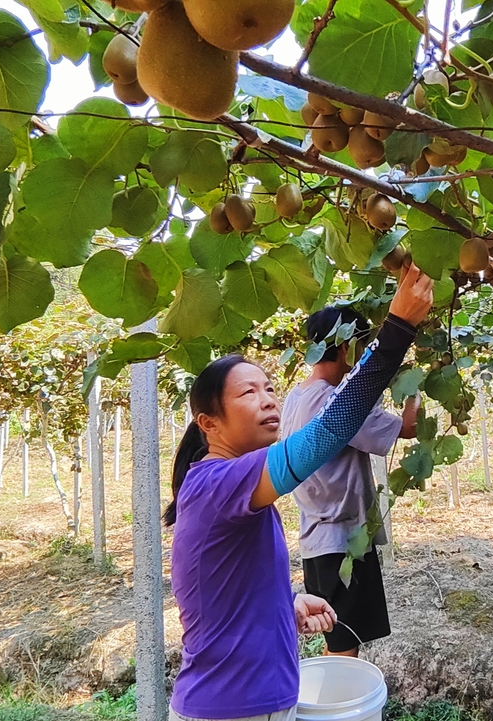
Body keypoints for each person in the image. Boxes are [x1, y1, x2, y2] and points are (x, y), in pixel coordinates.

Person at [164, 265, 434, 721]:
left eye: (269, 387)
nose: (269, 399)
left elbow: (225, 591)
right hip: (231, 709)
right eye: (248, 392)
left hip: (253, 702)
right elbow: (330, 431)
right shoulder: (218, 484)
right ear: (208, 424)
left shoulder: (232, 488)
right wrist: (398, 329)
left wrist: (285, 606)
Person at [280, 305, 419, 657]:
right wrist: (414, 388)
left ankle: (335, 705)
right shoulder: (338, 402)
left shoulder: (295, 398)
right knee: (345, 648)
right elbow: (408, 428)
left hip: (315, 538)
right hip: (343, 542)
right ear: (346, 347)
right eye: (362, 345)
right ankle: (336, 709)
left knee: (337, 639)